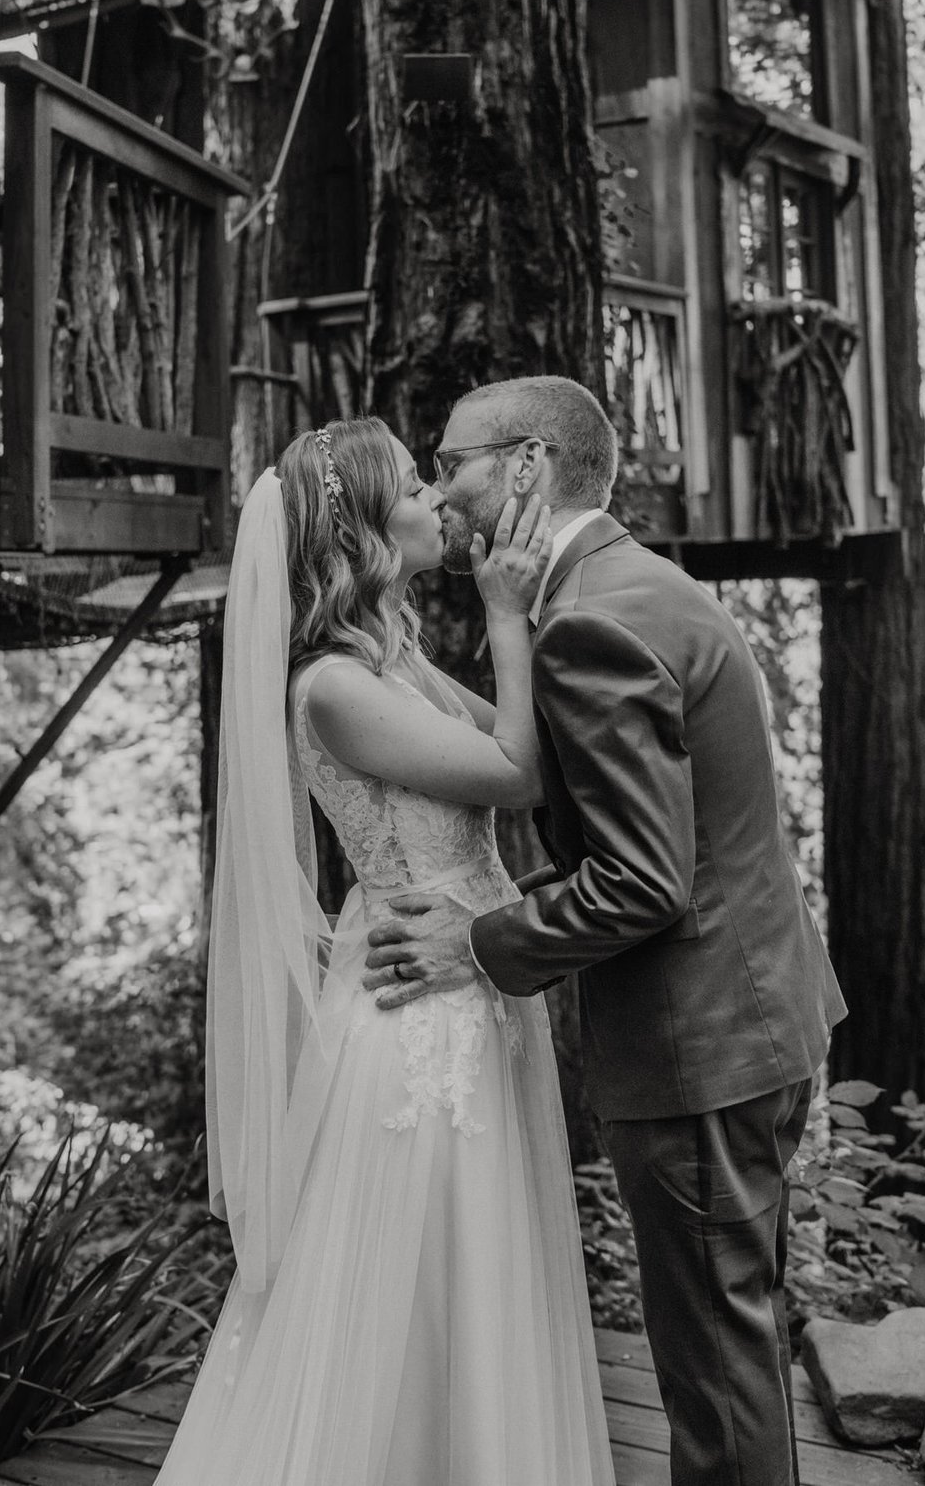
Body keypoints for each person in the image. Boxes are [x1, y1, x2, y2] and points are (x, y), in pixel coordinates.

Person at [364, 376, 849, 1486]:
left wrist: (473, 944)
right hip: (756, 1015)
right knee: (737, 1352)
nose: (441, 490)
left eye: (454, 464)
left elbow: (640, 883)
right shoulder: (639, 583)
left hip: (698, 1047)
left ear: (526, 465)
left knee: (717, 1387)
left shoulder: (591, 621)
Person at [154, 416, 615, 1486]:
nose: (435, 501)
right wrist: (504, 612)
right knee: (402, 1282)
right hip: (418, 1021)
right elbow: (517, 773)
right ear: (365, 524)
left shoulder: (392, 658)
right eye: (414, 485)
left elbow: (519, 727)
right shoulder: (333, 687)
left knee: (473, 1281)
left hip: (470, 984)